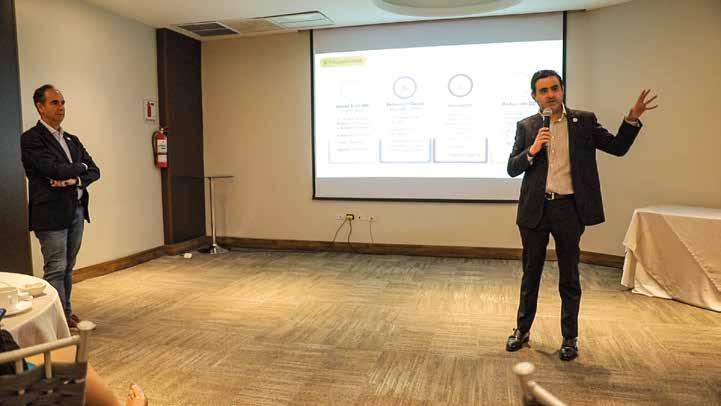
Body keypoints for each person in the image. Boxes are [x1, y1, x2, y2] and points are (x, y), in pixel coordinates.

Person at [505, 70, 657, 361]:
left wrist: (632, 119)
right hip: (535, 210)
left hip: (568, 209)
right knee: (530, 274)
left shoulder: (583, 121)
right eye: (543, 90)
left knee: (569, 277)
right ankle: (522, 330)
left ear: (562, 90)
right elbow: (512, 168)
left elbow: (617, 147)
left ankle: (569, 337)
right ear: (534, 96)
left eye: (554, 88)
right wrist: (533, 149)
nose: (550, 94)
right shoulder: (527, 126)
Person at [20, 85, 101, 328]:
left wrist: (74, 179)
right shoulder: (32, 138)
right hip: (49, 212)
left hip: (76, 209)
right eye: (54, 103)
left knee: (68, 266)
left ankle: (65, 312)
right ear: (40, 107)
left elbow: (95, 170)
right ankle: (56, 320)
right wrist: (80, 168)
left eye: (63, 102)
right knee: (55, 267)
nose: (61, 107)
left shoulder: (71, 139)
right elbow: (52, 169)